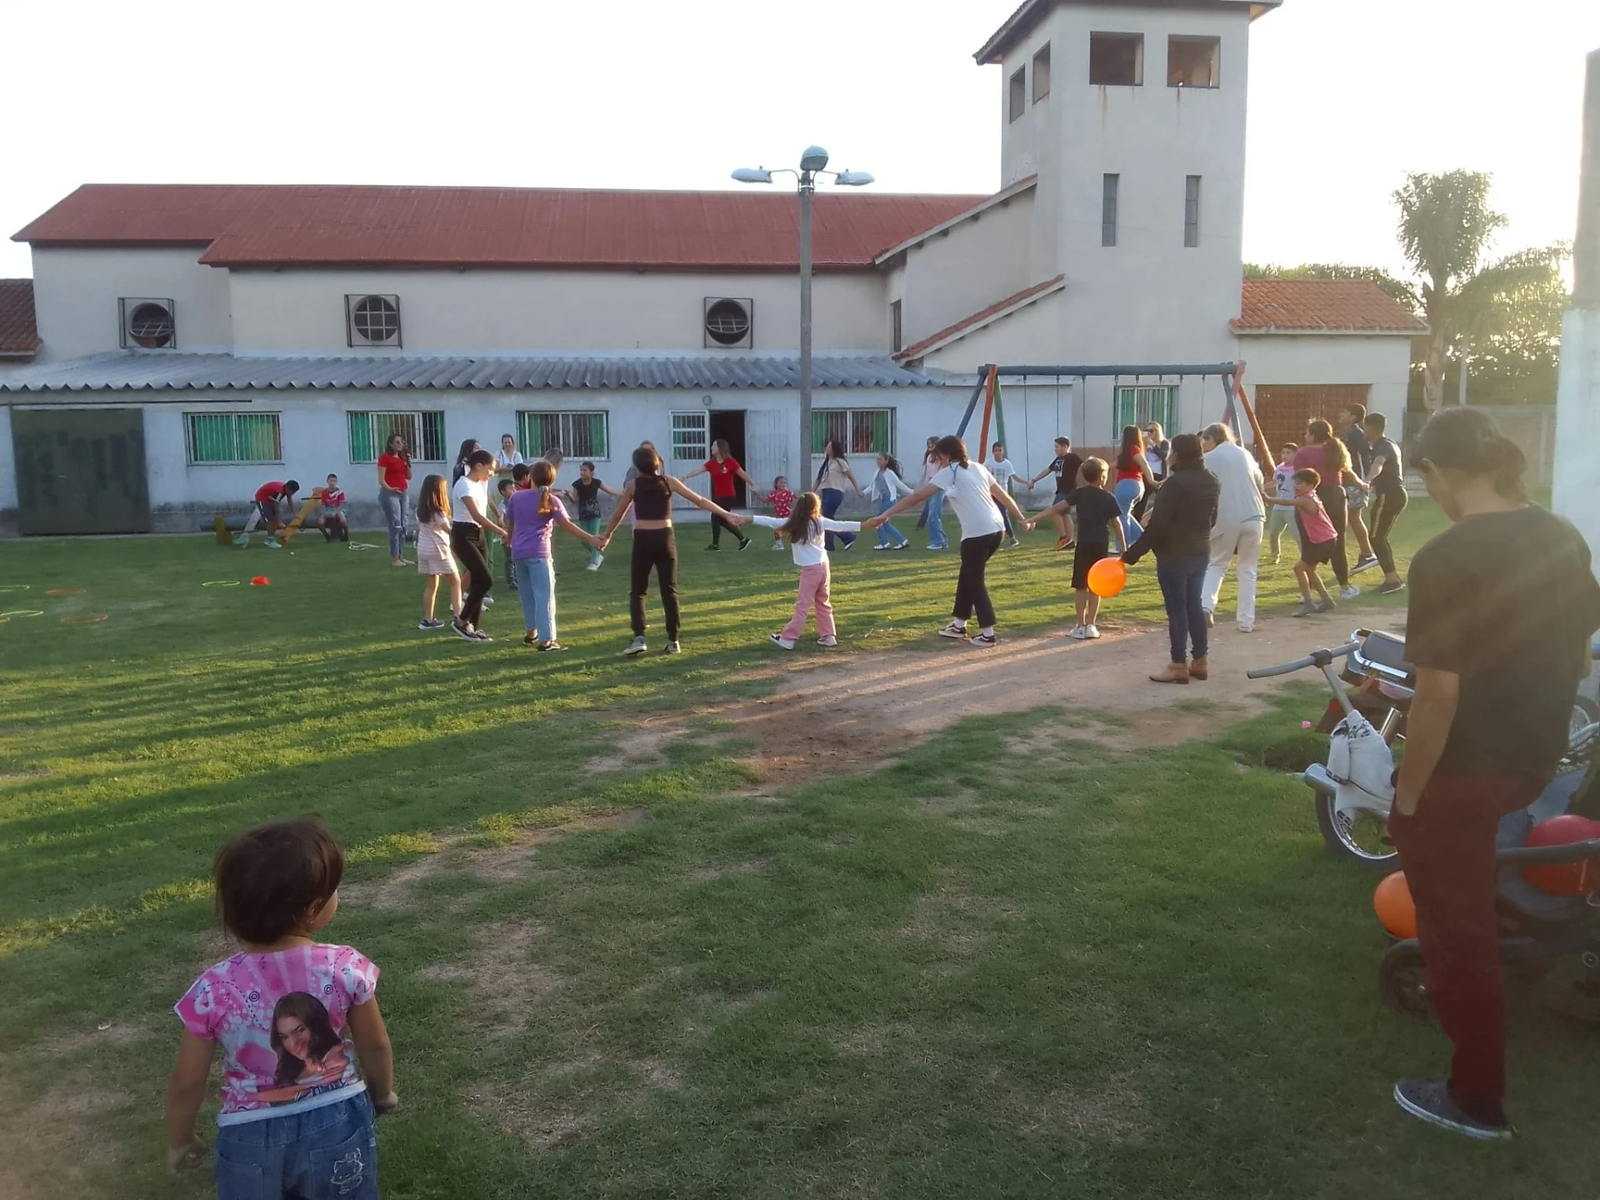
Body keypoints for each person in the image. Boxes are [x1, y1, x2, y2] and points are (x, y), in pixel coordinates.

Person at [1387, 407, 1600, 1141]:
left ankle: (1475, 1100)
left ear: (1440, 473)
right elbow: (1578, 657)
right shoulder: (1561, 535)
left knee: (1457, 932)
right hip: (1533, 759)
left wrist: (1408, 794)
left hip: (1466, 772)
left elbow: (1438, 696)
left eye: (1428, 477)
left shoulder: (1444, 558)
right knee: (1471, 902)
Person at [164, 818, 396, 1188]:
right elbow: (375, 1043)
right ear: (312, 909)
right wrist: (382, 1093)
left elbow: (187, 1081)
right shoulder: (344, 966)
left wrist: (180, 1140)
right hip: (336, 1119)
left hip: (248, 1134)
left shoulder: (213, 987)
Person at [865, 435, 1030, 648]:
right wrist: (1021, 519)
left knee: (974, 580)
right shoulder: (978, 467)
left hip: (977, 533)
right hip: (996, 530)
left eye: (938, 456)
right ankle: (958, 625)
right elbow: (1003, 497)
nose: (937, 460)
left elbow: (917, 496)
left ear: (947, 455)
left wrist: (885, 514)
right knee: (968, 574)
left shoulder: (949, 473)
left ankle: (987, 633)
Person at [596, 446, 744, 657]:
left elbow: (618, 514)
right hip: (665, 538)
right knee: (669, 590)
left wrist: (607, 535)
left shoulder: (633, 485)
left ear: (637, 466)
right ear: (657, 463)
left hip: (643, 540)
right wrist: (726, 514)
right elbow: (700, 500)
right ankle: (673, 641)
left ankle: (639, 637)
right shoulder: (669, 481)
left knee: (638, 590)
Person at [1122, 433, 1219, 684]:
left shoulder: (1174, 484)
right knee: (1194, 605)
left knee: (1177, 609)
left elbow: (1157, 528)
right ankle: (1200, 661)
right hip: (1200, 550)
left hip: (1174, 554)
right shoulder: (1211, 480)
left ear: (1178, 454)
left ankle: (1178, 664)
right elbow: (1213, 519)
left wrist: (1130, 555)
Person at [503, 461, 603, 652]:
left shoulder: (517, 498)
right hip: (539, 553)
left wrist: (508, 539)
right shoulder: (551, 500)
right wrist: (591, 539)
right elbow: (567, 525)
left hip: (519, 553)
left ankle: (531, 633)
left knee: (527, 595)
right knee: (544, 596)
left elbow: (510, 523)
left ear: (530, 476)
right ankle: (547, 640)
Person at [1027, 456, 1125, 639]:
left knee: (1080, 586)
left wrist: (1032, 519)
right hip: (1101, 545)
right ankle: (1091, 625)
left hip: (1084, 545)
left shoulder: (1079, 494)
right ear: (1102, 477)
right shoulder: (1108, 497)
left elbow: (1056, 508)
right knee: (1096, 587)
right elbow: (1117, 524)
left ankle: (1080, 626)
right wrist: (1123, 547)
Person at [746, 492, 861, 649]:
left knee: (803, 605)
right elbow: (841, 525)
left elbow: (771, 521)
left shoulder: (793, 523)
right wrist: (866, 524)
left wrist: (747, 518)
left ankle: (788, 638)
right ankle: (828, 636)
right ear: (816, 506)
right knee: (823, 602)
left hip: (811, 570)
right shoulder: (819, 521)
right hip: (823, 567)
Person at [1198, 423, 1266, 634]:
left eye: (1204, 442)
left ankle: (1206, 605)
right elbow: (1260, 481)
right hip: (1254, 514)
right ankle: (1246, 621)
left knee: (1217, 563)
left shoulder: (1209, 459)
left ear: (1211, 439)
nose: (1204, 446)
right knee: (1248, 569)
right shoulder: (1245, 454)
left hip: (1226, 517)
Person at [1293, 421, 1360, 600]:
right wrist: (1362, 484)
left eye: (1307, 433)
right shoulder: (1337, 449)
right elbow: (1347, 473)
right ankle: (1344, 587)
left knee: (1309, 542)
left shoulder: (1303, 453)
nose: (1305, 436)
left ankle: (1307, 590)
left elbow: (1301, 479)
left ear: (1314, 435)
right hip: (1336, 496)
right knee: (1338, 541)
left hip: (1313, 496)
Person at [1265, 469, 1339, 617]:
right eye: (1295, 483)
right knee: (1309, 570)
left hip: (1323, 541)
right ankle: (1326, 599)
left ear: (1310, 485)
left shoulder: (1306, 499)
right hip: (1323, 540)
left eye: (1299, 483)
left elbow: (1287, 502)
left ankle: (1308, 603)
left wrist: (1268, 498)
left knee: (1299, 569)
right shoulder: (1311, 495)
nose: (1295, 486)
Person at [449, 450, 505, 643]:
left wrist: (498, 515)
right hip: (463, 534)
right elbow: (476, 515)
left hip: (479, 533)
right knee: (485, 580)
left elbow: (485, 509)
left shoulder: (482, 483)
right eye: (490, 468)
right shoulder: (463, 485)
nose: (491, 473)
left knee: (478, 579)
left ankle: (473, 626)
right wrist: (502, 531)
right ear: (478, 465)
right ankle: (461, 620)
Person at [1362, 412, 1409, 595]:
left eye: (1364, 426)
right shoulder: (1390, 444)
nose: (1363, 430)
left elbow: (1379, 465)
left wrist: (1367, 480)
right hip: (1395, 494)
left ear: (1371, 427)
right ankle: (1393, 579)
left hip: (1389, 496)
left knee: (1376, 537)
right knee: (1379, 537)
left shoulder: (1383, 446)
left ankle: (1392, 581)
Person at [682, 439, 754, 550]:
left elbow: (742, 474)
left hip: (728, 496)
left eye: (714, 445)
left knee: (716, 517)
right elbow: (697, 470)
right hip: (718, 496)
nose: (711, 447)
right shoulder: (711, 463)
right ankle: (742, 540)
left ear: (720, 448)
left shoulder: (731, 462)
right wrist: (685, 477)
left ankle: (717, 545)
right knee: (722, 520)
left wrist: (752, 484)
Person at [414, 474, 461, 631]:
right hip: (438, 549)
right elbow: (447, 529)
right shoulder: (438, 511)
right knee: (455, 581)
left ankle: (428, 619)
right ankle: (459, 616)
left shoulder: (420, 510)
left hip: (424, 548)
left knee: (431, 585)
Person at [1338, 402, 1379, 571]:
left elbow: (1365, 455)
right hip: (1349, 482)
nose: (1340, 414)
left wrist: (1365, 481)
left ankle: (1368, 554)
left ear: (1353, 417)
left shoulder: (1356, 434)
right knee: (1351, 519)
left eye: (1344, 412)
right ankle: (1366, 554)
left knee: (1354, 518)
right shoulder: (1348, 433)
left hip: (1356, 482)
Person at [1025, 436, 1083, 549]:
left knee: (1054, 511)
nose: (1055, 449)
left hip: (1068, 490)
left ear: (1065, 447)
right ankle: (1070, 542)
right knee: (1065, 515)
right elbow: (1048, 470)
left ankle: (1064, 537)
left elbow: (1083, 465)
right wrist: (1034, 480)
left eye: (1057, 447)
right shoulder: (1058, 459)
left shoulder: (1072, 457)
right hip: (1060, 491)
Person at [814, 439, 865, 552]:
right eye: (826, 447)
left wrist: (858, 490)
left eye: (829, 447)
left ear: (834, 449)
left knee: (825, 519)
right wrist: (811, 492)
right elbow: (818, 480)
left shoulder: (840, 461)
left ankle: (841, 540)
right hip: (826, 492)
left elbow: (851, 476)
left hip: (835, 493)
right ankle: (843, 539)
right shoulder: (826, 463)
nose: (826, 449)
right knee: (827, 519)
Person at [569, 461, 618, 571]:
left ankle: (594, 562)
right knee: (583, 539)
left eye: (585, 470)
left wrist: (623, 493)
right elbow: (574, 499)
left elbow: (609, 490)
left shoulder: (597, 482)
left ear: (591, 472)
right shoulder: (576, 484)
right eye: (581, 470)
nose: (582, 473)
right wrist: (568, 495)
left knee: (594, 536)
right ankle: (597, 555)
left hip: (595, 514)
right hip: (583, 514)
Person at [1113, 426, 1157, 547]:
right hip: (1135, 486)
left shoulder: (1133, 449)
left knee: (1121, 516)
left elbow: (1144, 464)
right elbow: (1114, 465)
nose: (1121, 436)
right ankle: (1142, 539)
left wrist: (1152, 481)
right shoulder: (1130, 452)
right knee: (1126, 514)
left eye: (1123, 433)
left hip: (1127, 485)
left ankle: (1122, 546)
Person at [377, 434, 412, 567]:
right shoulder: (385, 458)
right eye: (397, 442)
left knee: (404, 525)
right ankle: (395, 558)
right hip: (390, 494)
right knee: (395, 525)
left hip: (403, 493)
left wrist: (408, 462)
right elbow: (381, 479)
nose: (400, 444)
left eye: (401, 442)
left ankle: (401, 556)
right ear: (391, 444)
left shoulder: (402, 459)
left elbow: (409, 477)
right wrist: (390, 489)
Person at [236, 480, 300, 549]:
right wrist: (279, 522)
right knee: (270, 520)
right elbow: (277, 507)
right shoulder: (279, 492)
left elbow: (289, 499)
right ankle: (269, 540)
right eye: (292, 492)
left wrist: (294, 513)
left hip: (270, 499)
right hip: (262, 499)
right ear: (288, 488)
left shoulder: (285, 489)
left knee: (275, 517)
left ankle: (270, 538)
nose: (292, 494)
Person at [868, 453, 914, 550]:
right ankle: (902, 541)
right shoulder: (877, 472)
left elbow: (899, 484)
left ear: (886, 461)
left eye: (880, 459)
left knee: (878, 520)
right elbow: (872, 486)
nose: (878, 461)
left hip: (890, 500)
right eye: (877, 459)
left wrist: (912, 492)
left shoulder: (890, 473)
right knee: (885, 522)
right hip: (884, 499)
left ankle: (885, 543)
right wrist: (862, 493)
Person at [984, 442, 1023, 547]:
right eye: (996, 451)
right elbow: (982, 474)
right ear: (992, 452)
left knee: (1003, 514)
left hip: (1002, 493)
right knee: (990, 514)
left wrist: (1027, 482)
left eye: (1000, 450)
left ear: (1003, 451)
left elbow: (1014, 476)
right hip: (990, 492)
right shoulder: (988, 463)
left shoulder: (1006, 464)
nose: (998, 453)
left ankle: (1012, 538)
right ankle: (991, 537)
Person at [1266, 443, 1299, 564]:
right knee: (1273, 533)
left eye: (1288, 453)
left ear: (1296, 455)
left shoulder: (1298, 469)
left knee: (1297, 534)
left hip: (1292, 507)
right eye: (1283, 453)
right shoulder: (1279, 468)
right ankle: (1275, 556)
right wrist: (1261, 488)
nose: (1284, 455)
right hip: (1278, 506)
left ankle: (1305, 557)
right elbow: (1275, 482)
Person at [915, 436, 948, 550]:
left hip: (938, 486)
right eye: (928, 444)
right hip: (931, 484)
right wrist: (919, 486)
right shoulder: (929, 456)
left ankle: (937, 542)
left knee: (933, 515)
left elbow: (944, 470)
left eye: (932, 444)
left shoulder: (940, 457)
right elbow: (925, 472)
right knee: (933, 515)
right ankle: (942, 540)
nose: (929, 446)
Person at [1134, 422, 1170, 523]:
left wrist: (1152, 445)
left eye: (1151, 431)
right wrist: (1143, 444)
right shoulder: (1145, 444)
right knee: (1142, 499)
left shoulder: (1164, 443)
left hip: (1159, 475)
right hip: (1147, 474)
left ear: (1157, 431)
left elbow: (1164, 456)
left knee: (1163, 498)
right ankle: (1138, 521)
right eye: (1147, 431)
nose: (1149, 433)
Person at [492, 476, 519, 593]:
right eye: (510, 489)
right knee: (510, 559)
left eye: (514, 488)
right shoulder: (503, 504)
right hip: (507, 535)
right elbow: (501, 515)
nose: (514, 491)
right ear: (503, 491)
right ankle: (511, 581)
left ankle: (518, 579)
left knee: (517, 558)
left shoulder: (518, 502)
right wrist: (501, 520)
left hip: (518, 535)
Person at [764, 476, 795, 551]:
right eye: (781, 482)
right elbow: (766, 500)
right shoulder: (773, 494)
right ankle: (779, 545)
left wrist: (793, 511)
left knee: (792, 530)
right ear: (776, 484)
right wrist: (757, 495)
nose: (783, 484)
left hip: (788, 515)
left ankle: (798, 544)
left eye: (784, 482)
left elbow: (794, 500)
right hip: (778, 516)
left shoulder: (789, 493)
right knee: (776, 530)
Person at [317, 474, 348, 543]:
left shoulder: (340, 492)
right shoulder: (324, 492)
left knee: (342, 520)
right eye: (330, 480)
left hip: (338, 509)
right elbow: (323, 504)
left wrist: (335, 512)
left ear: (336, 482)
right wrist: (324, 512)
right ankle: (326, 536)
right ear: (327, 481)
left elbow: (342, 504)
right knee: (320, 522)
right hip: (328, 510)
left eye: (334, 481)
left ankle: (346, 534)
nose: (332, 482)